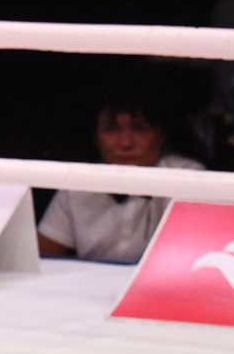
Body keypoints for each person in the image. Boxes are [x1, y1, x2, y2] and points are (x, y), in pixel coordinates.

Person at [38, 84, 202, 264]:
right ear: (95, 138)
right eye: (111, 129)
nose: (125, 143)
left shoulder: (187, 177)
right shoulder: (78, 183)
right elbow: (41, 257)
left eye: (141, 128)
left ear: (163, 134)